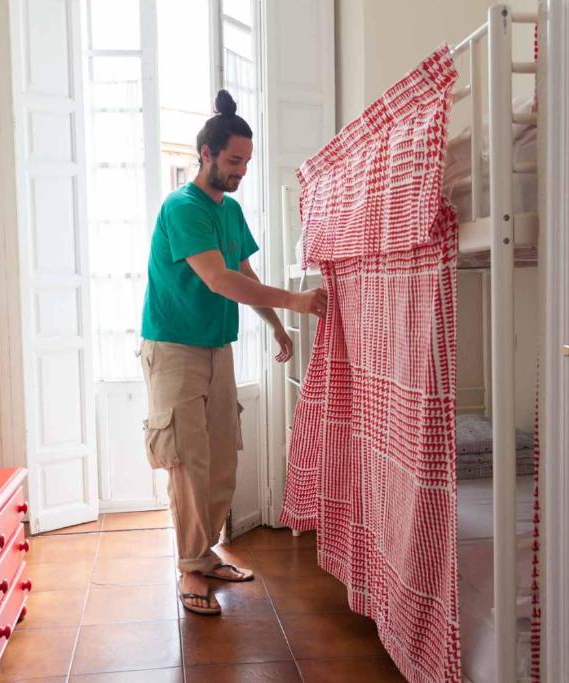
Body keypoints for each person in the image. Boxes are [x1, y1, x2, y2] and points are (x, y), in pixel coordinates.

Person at [140, 89, 327, 615]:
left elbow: (244, 272)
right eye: (232, 161)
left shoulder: (232, 210)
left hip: (216, 347)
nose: (241, 170)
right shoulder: (183, 208)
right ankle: (191, 568)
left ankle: (205, 554)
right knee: (187, 462)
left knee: (221, 456)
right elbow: (219, 280)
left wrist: (277, 325)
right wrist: (296, 301)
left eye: (245, 161)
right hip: (174, 348)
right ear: (206, 154)